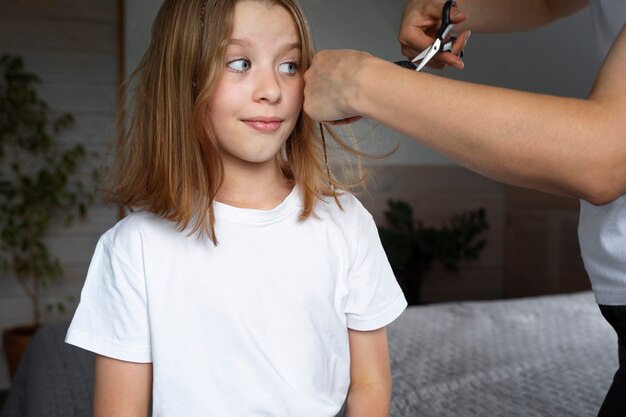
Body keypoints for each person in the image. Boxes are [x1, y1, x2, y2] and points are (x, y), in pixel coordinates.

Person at [64, 1, 407, 416]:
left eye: (289, 65)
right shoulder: (133, 248)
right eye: (240, 62)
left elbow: (370, 384)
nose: (272, 90)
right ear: (184, 78)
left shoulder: (346, 223)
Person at [302, 0, 625, 415]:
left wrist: (362, 82)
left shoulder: (346, 225)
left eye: (290, 67)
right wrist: (455, 7)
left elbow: (602, 159)